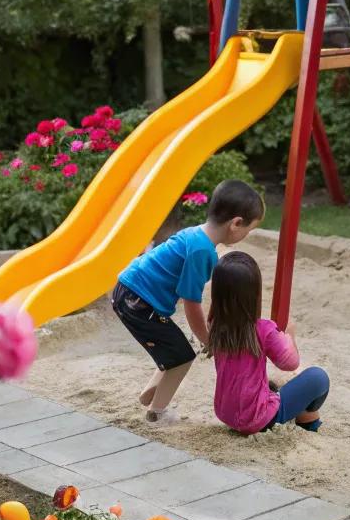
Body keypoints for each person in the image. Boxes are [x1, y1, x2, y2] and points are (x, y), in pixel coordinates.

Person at [112, 179, 264, 423]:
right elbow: (191, 303)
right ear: (236, 224)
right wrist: (207, 339)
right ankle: (157, 414)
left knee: (174, 348)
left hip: (131, 292)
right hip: (138, 302)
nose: (247, 234)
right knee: (183, 357)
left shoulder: (197, 234)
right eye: (250, 229)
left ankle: (149, 394)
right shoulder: (203, 251)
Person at [209, 251, 329, 435]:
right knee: (318, 378)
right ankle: (307, 420)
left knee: (271, 384)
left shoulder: (216, 324)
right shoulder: (262, 329)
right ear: (255, 294)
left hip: (226, 413)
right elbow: (290, 364)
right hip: (258, 419)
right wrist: (289, 336)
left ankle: (303, 415)